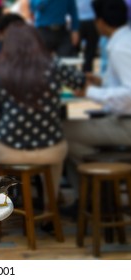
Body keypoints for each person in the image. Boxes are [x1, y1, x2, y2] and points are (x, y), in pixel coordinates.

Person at [0, 23, 85, 213]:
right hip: (50, 149)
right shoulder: (53, 66)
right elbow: (79, 81)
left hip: (9, 148)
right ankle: (49, 208)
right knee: (56, 156)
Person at [63, 0, 131, 209]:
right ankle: (95, 192)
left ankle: (90, 197)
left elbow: (129, 94)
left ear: (100, 22)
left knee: (61, 132)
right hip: (119, 119)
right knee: (70, 139)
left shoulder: (120, 47)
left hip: (125, 124)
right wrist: (100, 81)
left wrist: (89, 92)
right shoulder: (123, 40)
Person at [76, 0, 99, 72]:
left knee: (89, 52)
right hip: (85, 20)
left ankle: (86, 75)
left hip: (89, 20)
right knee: (88, 53)